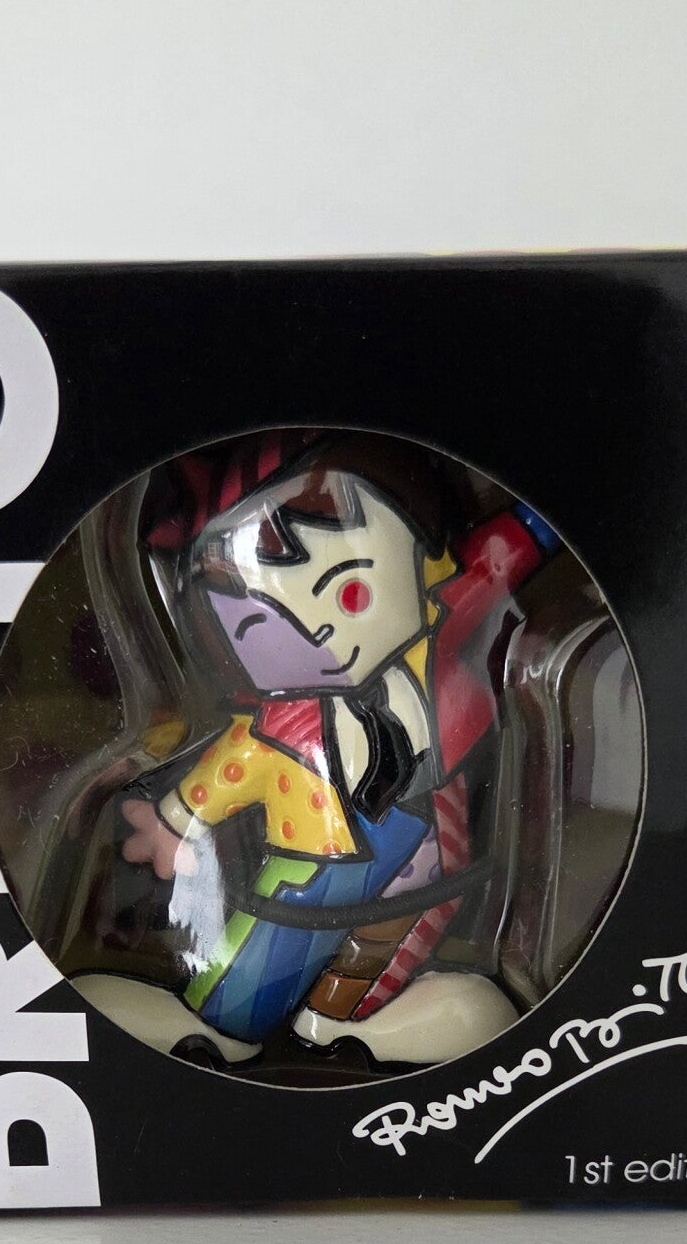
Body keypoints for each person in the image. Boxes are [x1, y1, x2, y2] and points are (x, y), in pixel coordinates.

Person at [75, 431, 557, 1068]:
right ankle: (222, 1025)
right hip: (314, 862)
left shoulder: (436, 636)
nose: (320, 633)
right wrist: (173, 822)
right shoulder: (277, 725)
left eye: (350, 589)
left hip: (427, 843)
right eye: (257, 625)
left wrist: (545, 517)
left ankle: (341, 1021)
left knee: (395, 939)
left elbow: (499, 559)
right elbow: (231, 768)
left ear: (430, 567)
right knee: (270, 955)